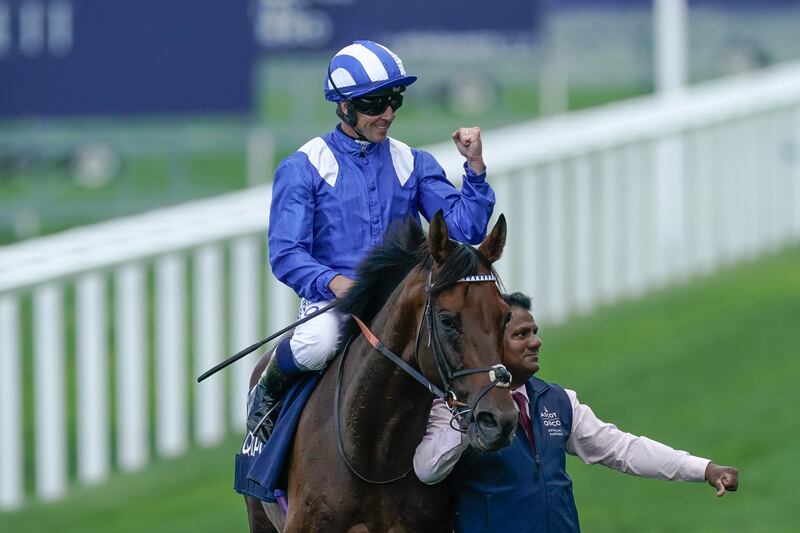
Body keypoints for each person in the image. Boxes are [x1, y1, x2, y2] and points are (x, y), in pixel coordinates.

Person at [246, 40, 496, 442]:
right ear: (344, 107)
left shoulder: (413, 162)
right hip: (336, 300)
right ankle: (268, 393)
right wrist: (335, 283)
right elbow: (287, 253)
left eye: (395, 100)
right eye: (375, 103)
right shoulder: (303, 167)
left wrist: (475, 167)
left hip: (405, 300)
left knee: (476, 344)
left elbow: (467, 229)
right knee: (316, 342)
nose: (388, 113)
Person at [414, 292, 739, 532]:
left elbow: (624, 449)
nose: (536, 342)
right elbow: (426, 469)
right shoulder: (454, 406)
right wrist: (468, 422)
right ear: (491, 345)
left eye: (535, 331)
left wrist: (704, 469)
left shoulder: (558, 401)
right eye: (521, 335)